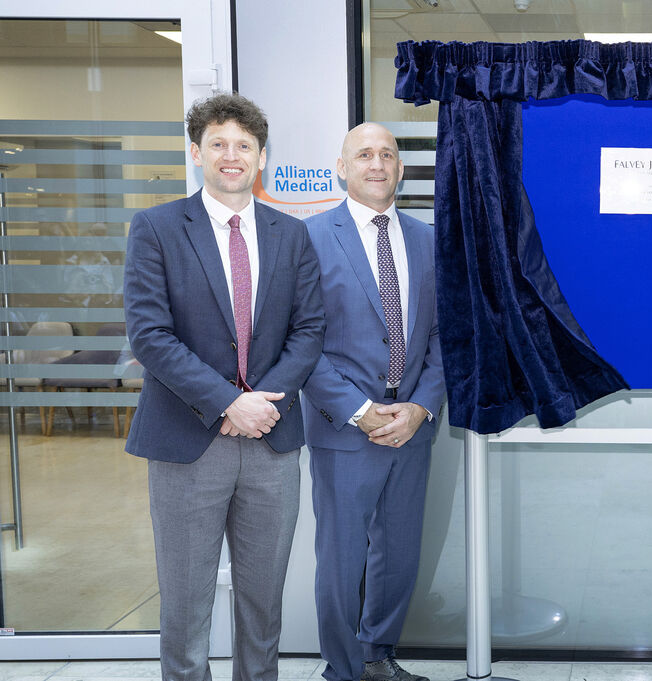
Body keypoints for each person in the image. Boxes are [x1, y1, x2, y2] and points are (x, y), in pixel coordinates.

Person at [123, 92, 324, 681]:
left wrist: (259, 405)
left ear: (261, 157)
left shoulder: (292, 235)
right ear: (196, 153)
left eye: (244, 145)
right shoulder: (156, 228)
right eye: (218, 144)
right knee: (185, 606)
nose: (231, 155)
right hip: (189, 443)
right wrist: (227, 401)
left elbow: (309, 330)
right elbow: (150, 335)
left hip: (270, 442)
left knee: (262, 605)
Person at [301, 122, 445, 681]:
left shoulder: (428, 240)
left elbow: (441, 336)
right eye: (364, 154)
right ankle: (341, 670)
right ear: (342, 167)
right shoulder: (310, 238)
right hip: (345, 428)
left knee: (400, 555)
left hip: (412, 426)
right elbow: (300, 340)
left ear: (401, 169)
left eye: (388, 154)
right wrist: (360, 411)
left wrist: (420, 407)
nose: (378, 164)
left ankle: (378, 657)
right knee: (340, 560)